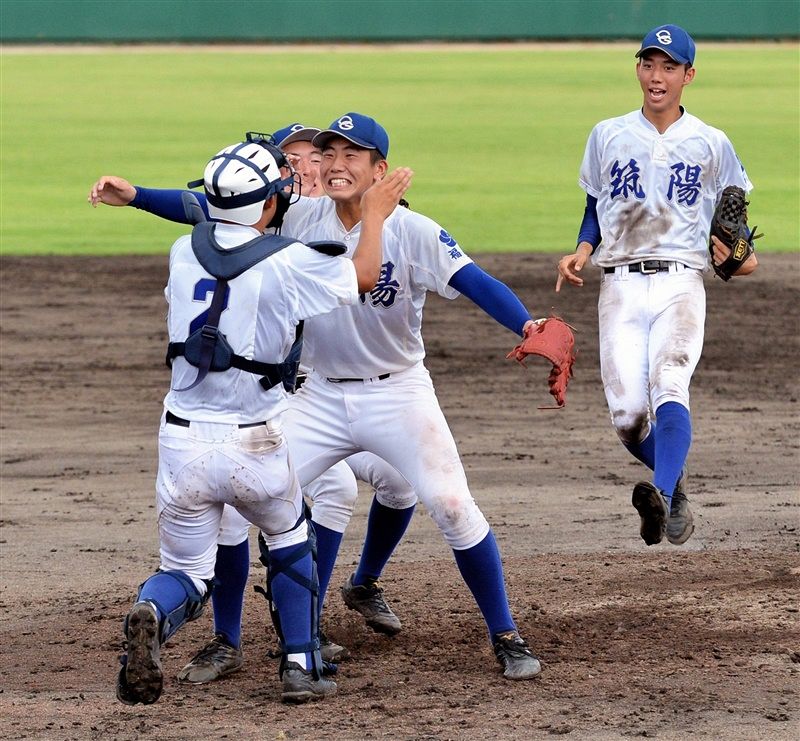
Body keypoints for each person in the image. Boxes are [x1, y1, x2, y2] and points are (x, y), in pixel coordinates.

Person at [92, 112, 544, 682]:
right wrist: (135, 196)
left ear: (380, 170)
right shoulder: (299, 215)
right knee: (233, 509)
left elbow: (477, 282)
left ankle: (505, 633)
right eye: (328, 153)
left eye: (351, 155)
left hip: (397, 392)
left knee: (452, 505)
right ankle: (235, 643)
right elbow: (212, 207)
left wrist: (528, 325)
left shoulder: (416, 231)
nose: (335, 163)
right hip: (317, 396)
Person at [110, 136, 412, 706]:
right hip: (256, 444)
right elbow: (364, 277)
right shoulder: (289, 261)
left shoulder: (182, 252)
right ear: (269, 206)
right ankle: (301, 662)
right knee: (288, 535)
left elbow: (208, 215)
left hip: (181, 443)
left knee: (187, 573)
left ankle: (154, 609)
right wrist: (373, 216)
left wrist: (138, 195)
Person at [555, 25, 758, 547]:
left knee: (671, 383)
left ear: (689, 75)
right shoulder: (608, 133)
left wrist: (734, 257)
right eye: (649, 64)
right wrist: (582, 248)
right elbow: (594, 205)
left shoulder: (712, 143)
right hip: (618, 285)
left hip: (681, 284)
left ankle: (661, 489)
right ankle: (674, 483)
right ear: (638, 69)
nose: (657, 76)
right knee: (627, 418)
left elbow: (737, 237)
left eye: (669, 66)